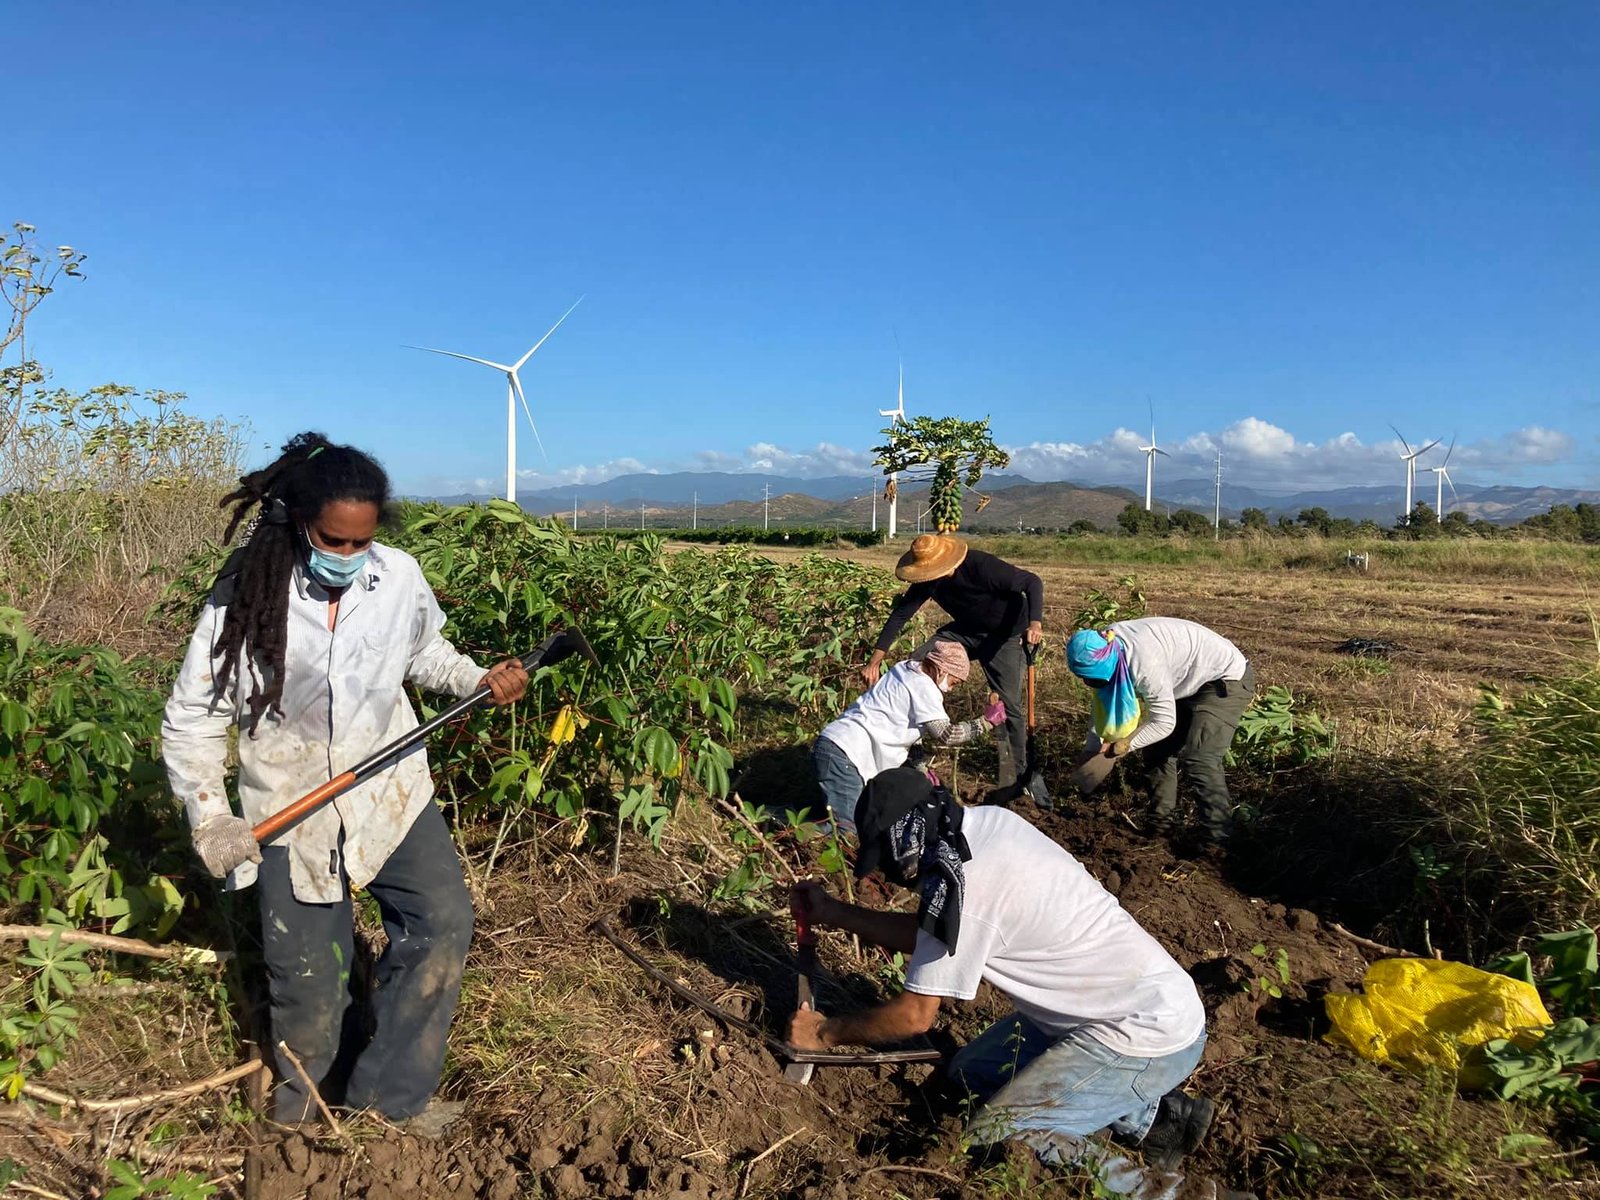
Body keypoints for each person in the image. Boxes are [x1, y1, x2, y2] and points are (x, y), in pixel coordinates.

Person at [161, 433, 528, 1134]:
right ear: (298, 522)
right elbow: (193, 718)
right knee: (309, 985)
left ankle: (390, 1103)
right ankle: (298, 1128)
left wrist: (477, 679)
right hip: (288, 809)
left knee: (441, 924)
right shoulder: (245, 595)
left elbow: (425, 652)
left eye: (361, 543)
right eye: (335, 541)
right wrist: (210, 814)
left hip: (389, 790)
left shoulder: (398, 578)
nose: (349, 557)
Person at [787, 768, 1248, 1200]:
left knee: (1002, 1135)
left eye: (887, 860)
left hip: (1144, 1035)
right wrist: (836, 914)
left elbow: (914, 1015)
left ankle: (1175, 1193)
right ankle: (1164, 1121)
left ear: (905, 841)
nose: (891, 873)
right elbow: (935, 935)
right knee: (971, 1074)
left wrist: (824, 1032)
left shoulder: (966, 889)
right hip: (1119, 1010)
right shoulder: (979, 826)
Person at [863, 534, 1044, 800]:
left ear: (949, 562)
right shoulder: (931, 580)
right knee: (916, 663)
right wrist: (875, 659)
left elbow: (1032, 581)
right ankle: (915, 756)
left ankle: (1021, 776)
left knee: (1010, 707)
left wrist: (1035, 623)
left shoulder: (981, 566)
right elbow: (901, 613)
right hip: (966, 631)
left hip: (1004, 635)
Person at [1066, 618, 1255, 848]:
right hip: (1186, 681)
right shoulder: (1105, 645)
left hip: (1223, 681)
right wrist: (1091, 747)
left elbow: (1164, 721)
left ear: (1109, 664)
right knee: (1157, 751)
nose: (1090, 683)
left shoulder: (1144, 661)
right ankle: (1159, 827)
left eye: (1094, 679)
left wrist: (1124, 744)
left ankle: (1217, 842)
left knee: (1200, 758)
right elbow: (1100, 705)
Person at [812, 640, 1006, 832]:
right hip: (846, 753)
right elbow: (947, 734)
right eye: (954, 682)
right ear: (941, 670)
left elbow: (906, 725)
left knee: (824, 813)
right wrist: (986, 722)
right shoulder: (924, 687)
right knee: (848, 829)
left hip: (835, 745)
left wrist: (920, 765)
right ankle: (787, 829)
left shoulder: (905, 669)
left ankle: (786, 821)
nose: (951, 688)